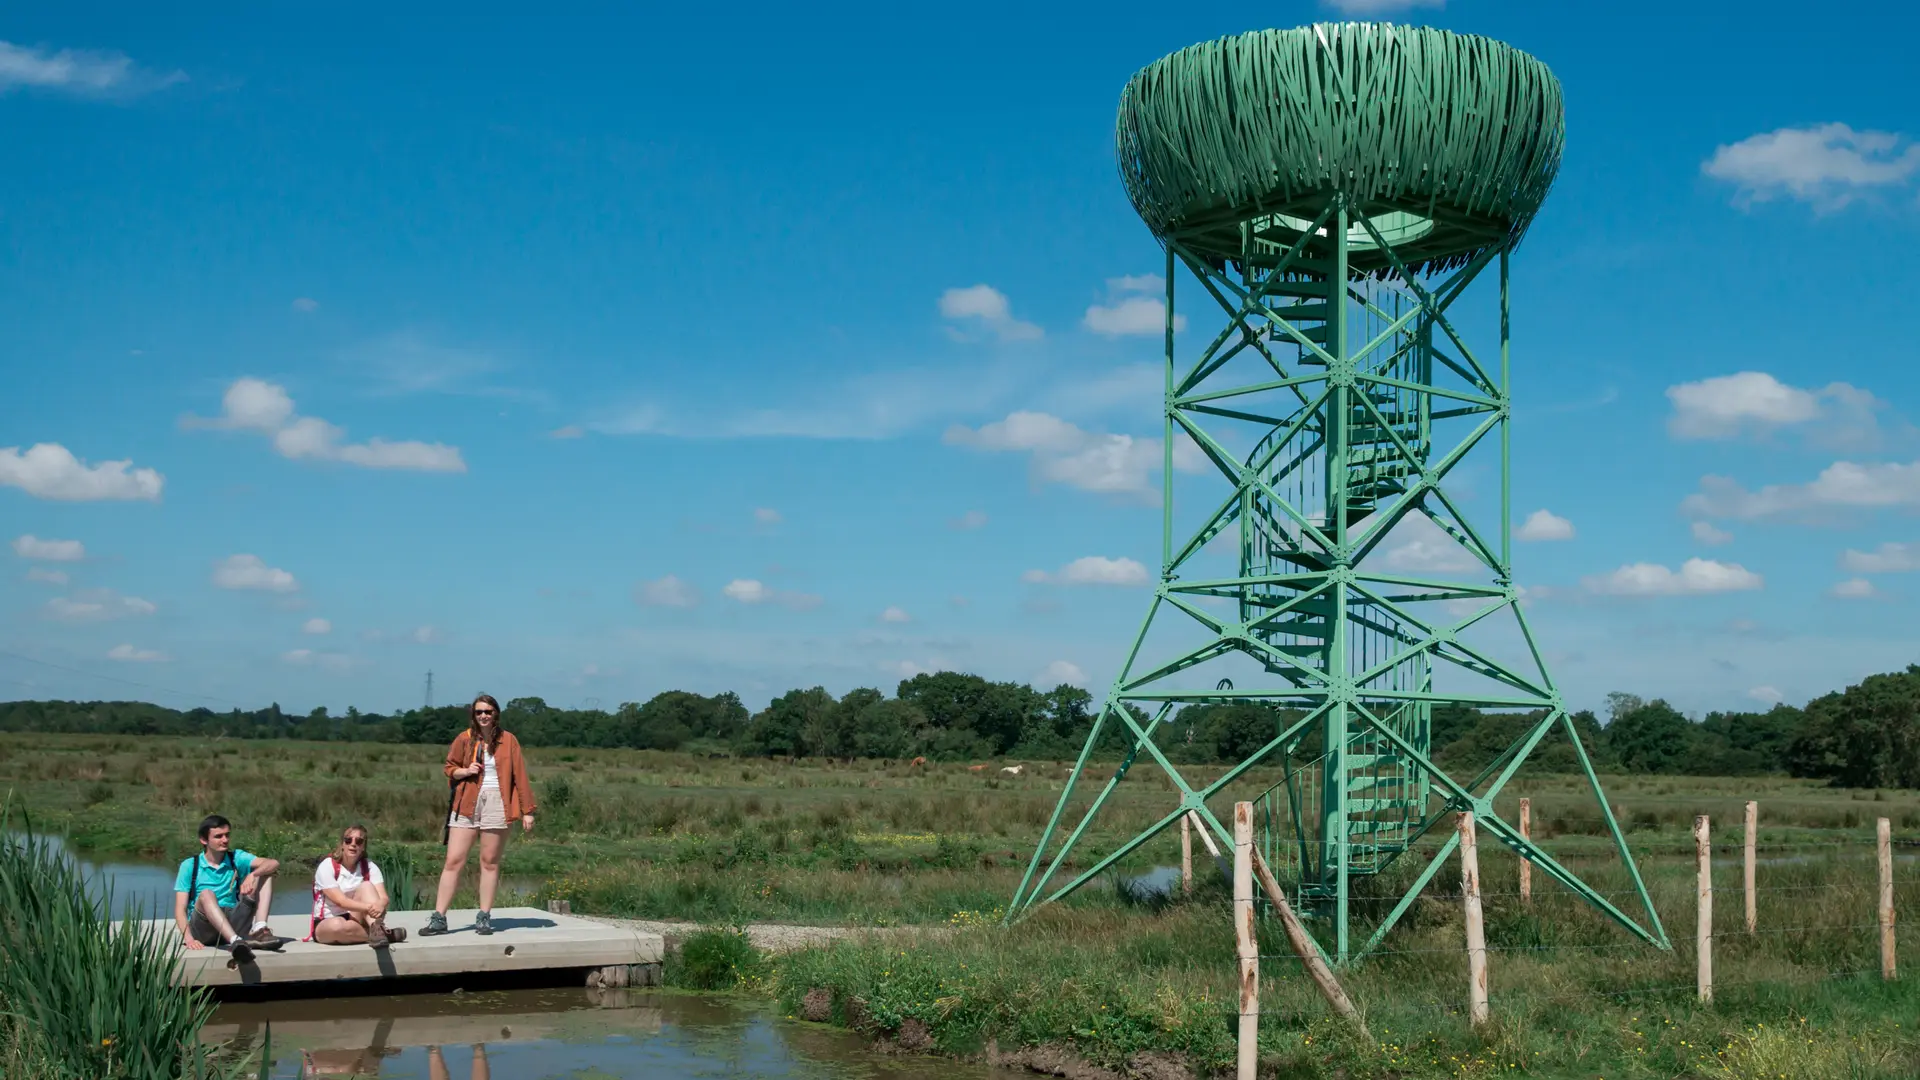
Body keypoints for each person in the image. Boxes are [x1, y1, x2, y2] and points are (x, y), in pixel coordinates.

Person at [421, 693, 536, 937]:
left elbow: (520, 776)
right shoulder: (464, 738)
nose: (483, 716)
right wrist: (465, 771)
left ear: (496, 714)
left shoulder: (509, 740)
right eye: (479, 712)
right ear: (473, 715)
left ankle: (484, 917)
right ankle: (439, 918)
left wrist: (528, 810)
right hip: (466, 802)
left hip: (498, 801)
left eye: (488, 711)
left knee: (489, 862)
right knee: (453, 861)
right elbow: (449, 768)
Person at [173, 814, 281, 963]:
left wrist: (253, 874)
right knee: (206, 894)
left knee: (266, 873)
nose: (225, 840)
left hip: (233, 919)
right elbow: (180, 909)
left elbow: (273, 862)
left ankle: (260, 929)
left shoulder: (236, 857)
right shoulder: (190, 865)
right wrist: (189, 939)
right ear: (204, 840)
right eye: (218, 836)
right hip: (203, 928)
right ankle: (236, 942)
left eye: (227, 835)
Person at [307, 824, 407, 948]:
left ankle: (376, 928)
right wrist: (371, 907)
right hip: (327, 922)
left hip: (357, 919)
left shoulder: (369, 866)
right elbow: (341, 902)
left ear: (363, 846)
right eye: (348, 840)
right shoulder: (327, 866)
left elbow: (384, 898)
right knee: (338, 925)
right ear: (342, 844)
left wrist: (381, 905)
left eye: (359, 841)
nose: (353, 844)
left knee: (366, 886)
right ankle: (386, 935)